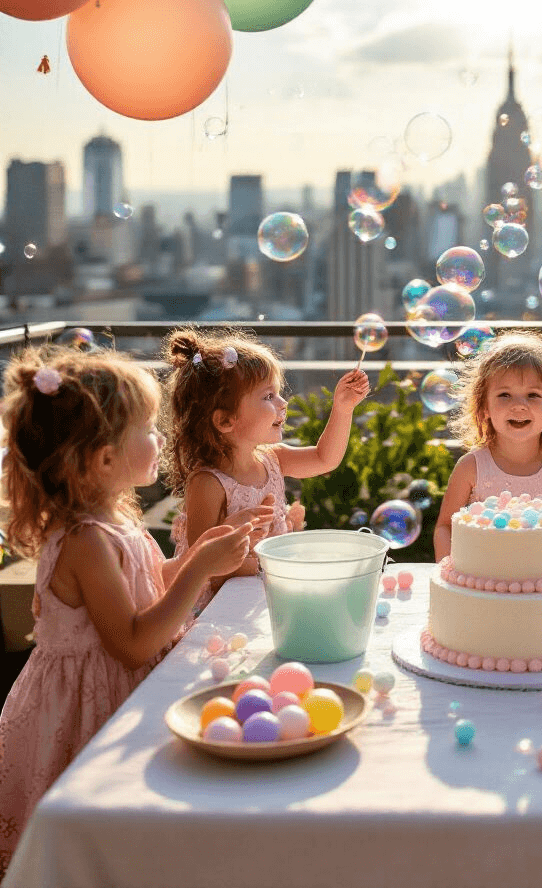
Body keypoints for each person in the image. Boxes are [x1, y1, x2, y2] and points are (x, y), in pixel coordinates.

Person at [0, 346, 255, 874]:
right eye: (146, 427)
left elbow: (147, 580)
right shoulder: (85, 540)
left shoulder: (114, 518)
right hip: (90, 705)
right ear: (105, 459)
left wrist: (198, 554)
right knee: (99, 824)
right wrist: (200, 567)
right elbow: (131, 641)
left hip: (118, 685)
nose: (160, 438)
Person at [161, 327, 369, 613]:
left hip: (263, 595)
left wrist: (343, 408)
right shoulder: (208, 483)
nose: (283, 404)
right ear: (225, 421)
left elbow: (325, 459)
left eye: (278, 393)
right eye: (268, 396)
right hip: (220, 611)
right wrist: (265, 560)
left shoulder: (274, 459)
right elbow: (204, 568)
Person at [434, 330, 542, 559]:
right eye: (504, 395)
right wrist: (450, 572)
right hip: (484, 583)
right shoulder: (471, 467)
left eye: (532, 395)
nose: (519, 406)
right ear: (484, 407)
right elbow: (445, 528)